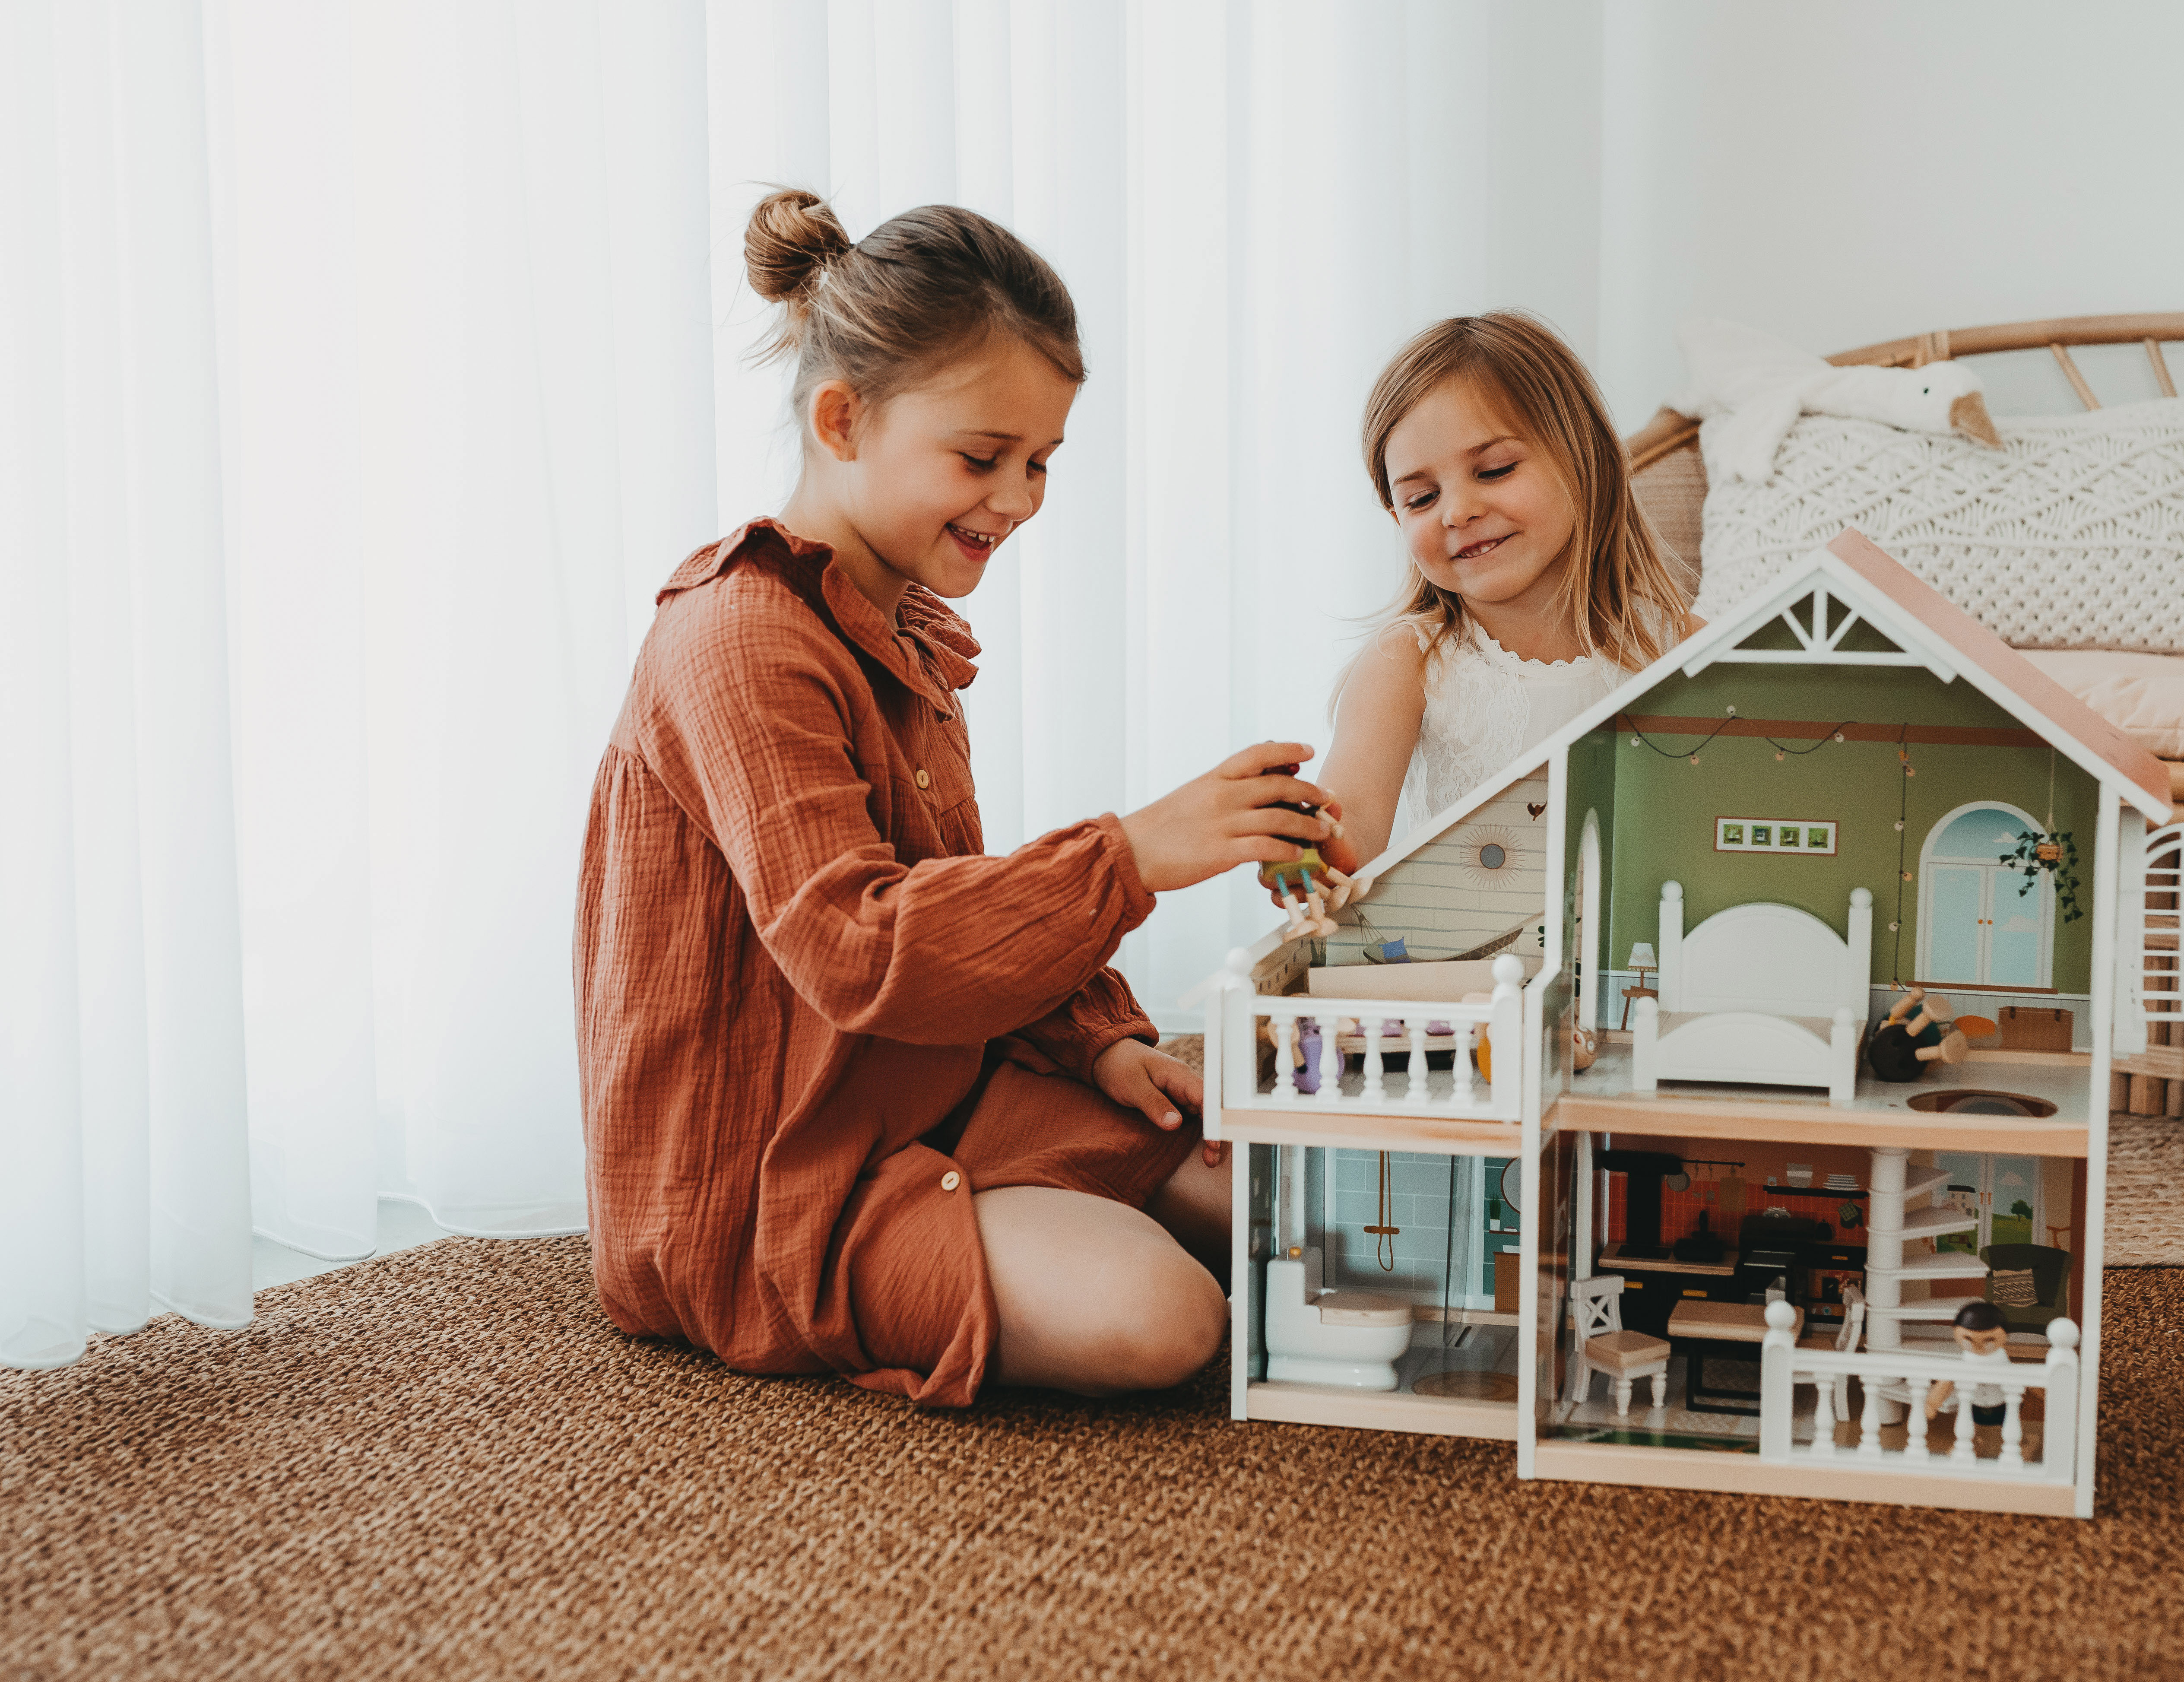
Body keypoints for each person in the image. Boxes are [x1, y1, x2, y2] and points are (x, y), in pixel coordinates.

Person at [576, 192, 1341, 1406]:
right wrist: (1132, 857)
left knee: (1291, 1197)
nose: (1023, 497)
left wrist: (1101, 1041)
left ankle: (1025, 1187)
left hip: (933, 1095)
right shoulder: (735, 641)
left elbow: (952, 900)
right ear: (843, 421)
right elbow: (859, 941)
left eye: (1040, 461)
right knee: (1167, 1317)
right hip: (778, 1184)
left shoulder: (898, 631)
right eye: (983, 458)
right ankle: (990, 1225)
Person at [1285, 312, 1696, 891]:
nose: (1457, 512)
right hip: (1467, 973)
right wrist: (1312, 844)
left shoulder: (1684, 646)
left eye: (1495, 470)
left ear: (1585, 460)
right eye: (1422, 499)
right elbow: (1353, 820)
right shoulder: (1409, 660)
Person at [1923, 1299, 2016, 1434]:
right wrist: (1932, 1404)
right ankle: (1973, 1443)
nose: (1979, 1346)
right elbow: (1947, 1382)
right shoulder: (1965, 1361)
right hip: (1973, 1404)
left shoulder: (2001, 1358)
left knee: (2011, 1429)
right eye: (1969, 1341)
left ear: (2005, 1336)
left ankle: (2022, 1442)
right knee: (1968, 1428)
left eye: (1988, 1342)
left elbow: (2019, 1377)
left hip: (2002, 1404)